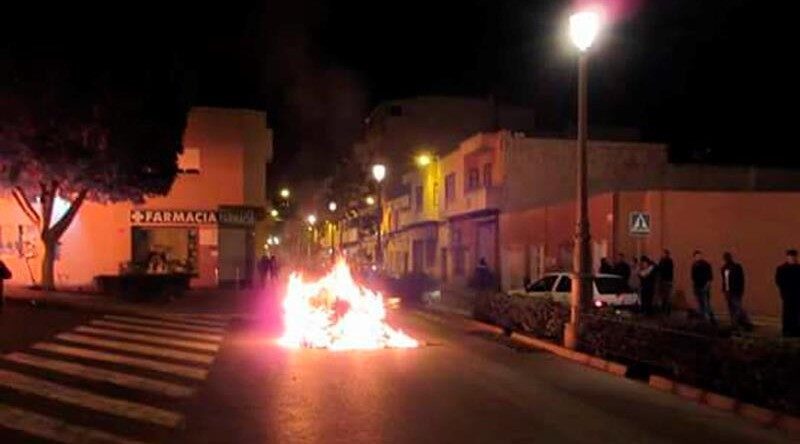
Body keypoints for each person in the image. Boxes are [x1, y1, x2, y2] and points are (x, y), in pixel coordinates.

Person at [721, 252, 753, 331]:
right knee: (732, 308)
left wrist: (740, 290)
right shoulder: (724, 268)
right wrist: (724, 290)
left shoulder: (736, 267)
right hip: (728, 292)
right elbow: (724, 281)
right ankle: (735, 323)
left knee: (737, 307)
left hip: (735, 291)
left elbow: (741, 279)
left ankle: (743, 322)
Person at [775, 249, 800, 337]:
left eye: (793, 257)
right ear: (787, 257)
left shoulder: (798, 268)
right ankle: (787, 329)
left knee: (796, 312)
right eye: (790, 257)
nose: (792, 258)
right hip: (787, 294)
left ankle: (795, 329)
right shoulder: (782, 269)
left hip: (797, 294)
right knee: (787, 312)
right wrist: (784, 290)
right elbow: (778, 281)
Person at [691, 250, 716, 323]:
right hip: (697, 286)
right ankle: (704, 318)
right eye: (696, 256)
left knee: (706, 303)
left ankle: (709, 318)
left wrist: (707, 285)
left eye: (698, 256)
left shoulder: (705, 264)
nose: (697, 257)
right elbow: (693, 276)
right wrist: (694, 286)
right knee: (700, 303)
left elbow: (710, 276)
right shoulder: (694, 265)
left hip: (704, 286)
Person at [657, 249, 675, 315]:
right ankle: (664, 309)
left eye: (663, 253)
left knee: (667, 296)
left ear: (666, 254)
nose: (662, 255)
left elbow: (665, 270)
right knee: (664, 296)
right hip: (663, 280)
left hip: (667, 280)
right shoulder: (662, 261)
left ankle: (667, 309)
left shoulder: (668, 261)